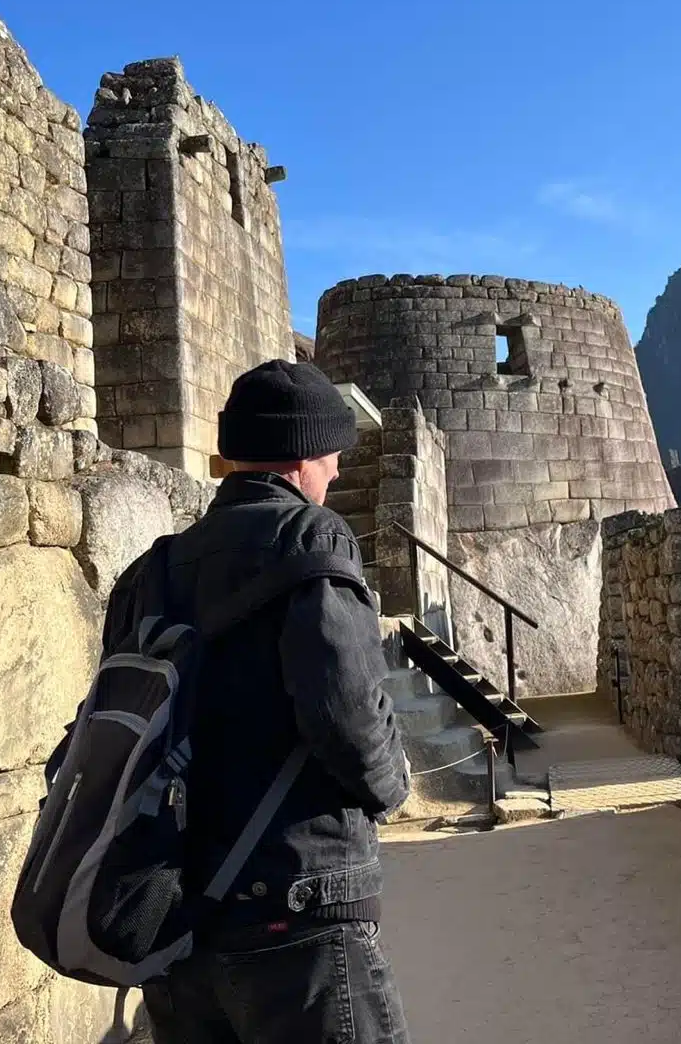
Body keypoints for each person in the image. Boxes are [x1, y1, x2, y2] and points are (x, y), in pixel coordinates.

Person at [115, 359, 413, 1043]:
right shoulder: (312, 540)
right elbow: (347, 712)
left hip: (179, 915)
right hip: (295, 907)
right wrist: (393, 786)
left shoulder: (153, 570)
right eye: (333, 456)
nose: (335, 474)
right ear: (303, 455)